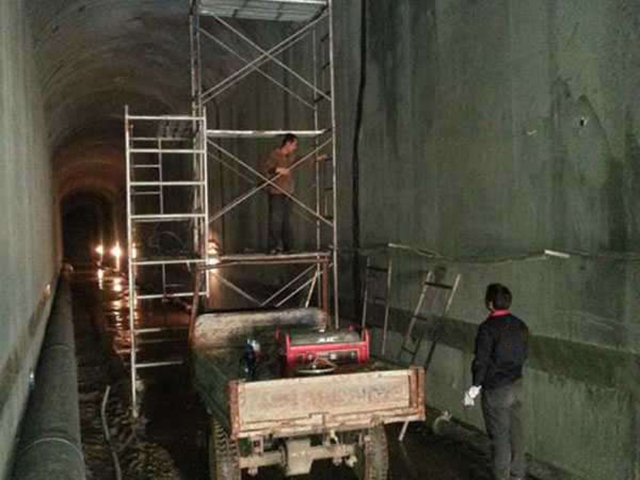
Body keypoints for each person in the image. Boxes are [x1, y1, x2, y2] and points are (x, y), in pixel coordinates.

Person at [463, 283, 529, 480]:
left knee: (500, 438)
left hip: (497, 390)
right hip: (517, 385)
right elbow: (524, 354)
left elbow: (481, 361)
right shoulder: (520, 325)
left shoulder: (487, 328)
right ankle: (517, 475)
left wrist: (474, 388)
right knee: (517, 433)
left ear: (490, 303)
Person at [261, 134, 299, 254]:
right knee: (275, 220)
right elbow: (266, 168)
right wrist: (278, 169)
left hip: (288, 192)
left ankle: (288, 247)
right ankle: (273, 247)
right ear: (287, 143)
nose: (295, 147)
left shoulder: (291, 157)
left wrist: (317, 157)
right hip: (276, 191)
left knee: (287, 221)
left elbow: (303, 159)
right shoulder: (274, 154)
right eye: (294, 144)